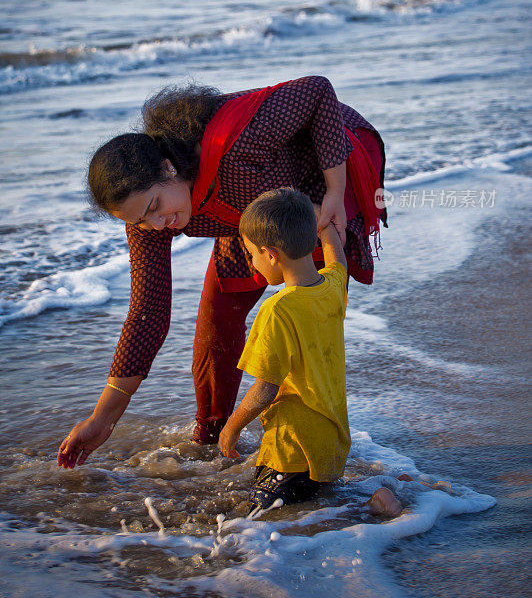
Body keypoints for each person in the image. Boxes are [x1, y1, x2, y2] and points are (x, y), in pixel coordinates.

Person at [57, 76, 386, 468]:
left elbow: (317, 91)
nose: (157, 225)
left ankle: (310, 452)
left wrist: (334, 191)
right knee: (216, 320)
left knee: (306, 326)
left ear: (167, 167)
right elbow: (148, 312)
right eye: (140, 222)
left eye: (155, 207)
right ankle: (212, 439)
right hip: (245, 209)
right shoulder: (149, 216)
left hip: (321, 167)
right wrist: (102, 418)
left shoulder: (237, 145)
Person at [218, 188, 401, 516]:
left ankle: (371, 508)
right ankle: (372, 500)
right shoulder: (331, 288)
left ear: (270, 253)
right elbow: (338, 261)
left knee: (261, 517)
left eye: (252, 254)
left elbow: (264, 389)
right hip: (330, 440)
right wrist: (326, 226)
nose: (252, 262)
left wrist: (232, 427)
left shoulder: (278, 310)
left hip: (292, 446)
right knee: (314, 504)